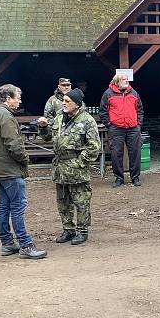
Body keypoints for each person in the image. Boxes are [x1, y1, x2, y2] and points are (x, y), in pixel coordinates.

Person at [0, 84, 46, 259]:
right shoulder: (6, 116)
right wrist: (25, 159)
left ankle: (7, 242)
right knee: (18, 206)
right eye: (17, 98)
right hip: (10, 168)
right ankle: (25, 245)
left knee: (4, 206)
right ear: (8, 98)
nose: (19, 101)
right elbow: (13, 144)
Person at [38, 88, 101, 245]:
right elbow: (47, 137)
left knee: (81, 202)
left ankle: (82, 231)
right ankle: (68, 230)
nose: (63, 104)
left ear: (77, 104)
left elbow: (94, 147)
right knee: (63, 202)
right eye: (63, 101)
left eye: (67, 101)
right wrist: (43, 127)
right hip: (60, 168)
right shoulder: (59, 118)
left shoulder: (87, 120)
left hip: (77, 170)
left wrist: (79, 162)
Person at [99, 73, 144, 187]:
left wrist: (138, 124)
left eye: (127, 79)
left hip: (133, 128)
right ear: (116, 82)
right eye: (123, 79)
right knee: (116, 154)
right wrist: (109, 125)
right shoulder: (108, 94)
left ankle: (135, 178)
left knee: (135, 153)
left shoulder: (134, 93)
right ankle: (119, 178)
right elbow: (103, 111)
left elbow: (140, 109)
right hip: (116, 129)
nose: (126, 81)